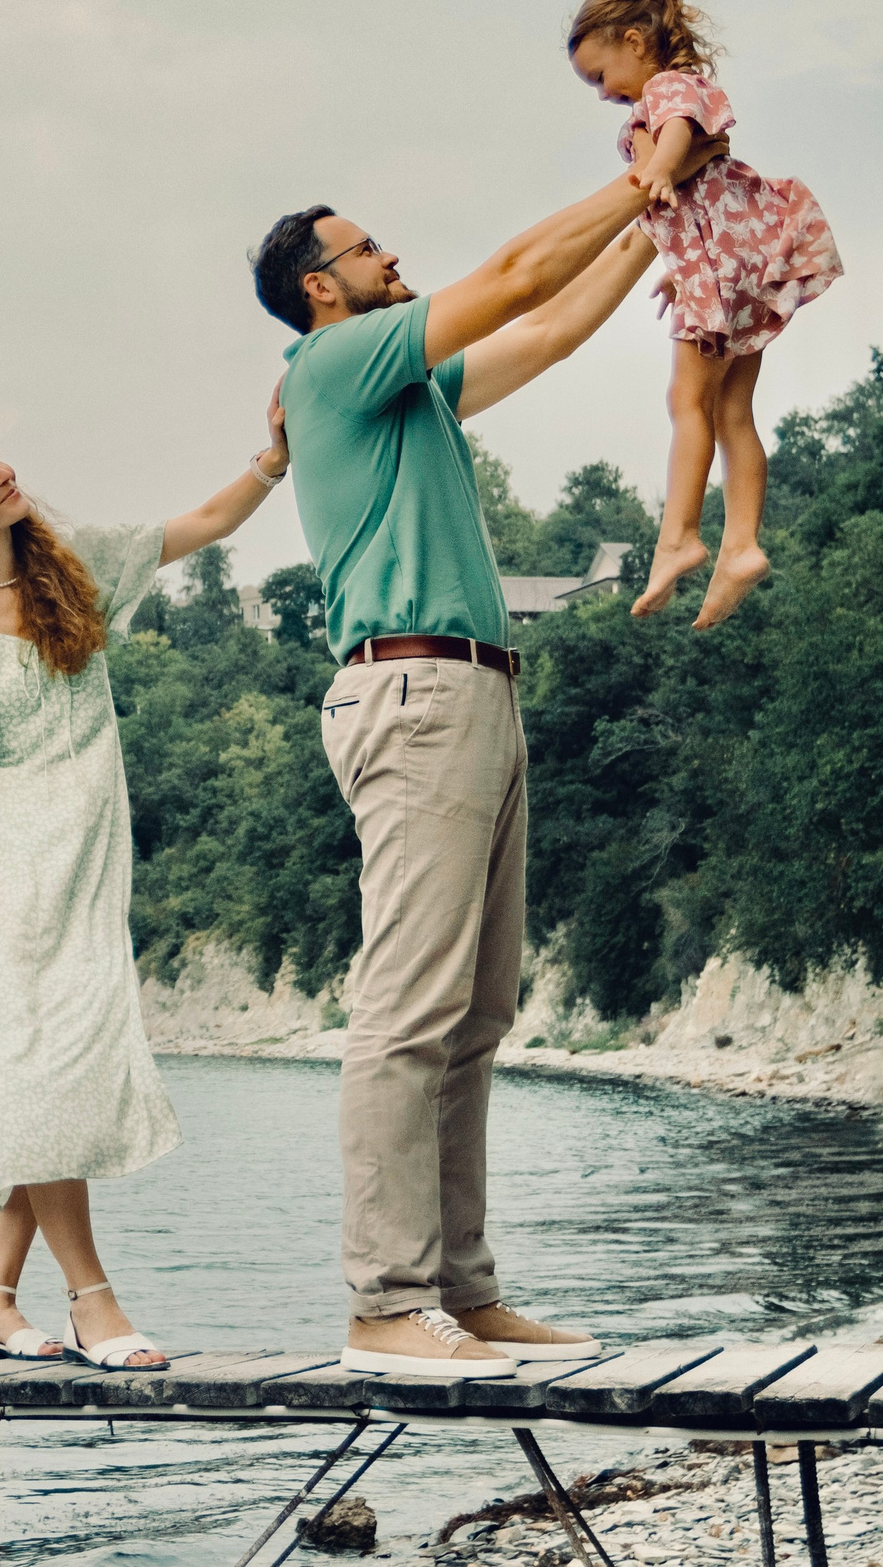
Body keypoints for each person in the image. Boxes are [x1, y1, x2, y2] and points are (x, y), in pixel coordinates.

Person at [250, 126, 730, 1378]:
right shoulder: (335, 363)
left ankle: (456, 1294)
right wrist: (647, 166)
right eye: (366, 246)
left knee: (476, 1011)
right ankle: (384, 1303)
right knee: (407, 1010)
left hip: (472, 695)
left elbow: (550, 328)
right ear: (320, 285)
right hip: (409, 693)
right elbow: (516, 274)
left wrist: (656, 224)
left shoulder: (403, 388)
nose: (391, 253)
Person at [0, 417, 288, 1370]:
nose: (1, 474)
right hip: (8, 857)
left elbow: (202, 521)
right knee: (35, 1078)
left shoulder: (74, 566)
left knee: (50, 1076)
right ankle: (90, 1299)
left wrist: (270, 462)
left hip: (87, 852)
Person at [568, 0, 843, 628]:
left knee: (686, 400)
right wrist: (678, 265)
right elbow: (697, 195)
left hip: (723, 264)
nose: (605, 93)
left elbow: (678, 135)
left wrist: (658, 169)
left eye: (601, 75)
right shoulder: (678, 88)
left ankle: (680, 537)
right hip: (736, 257)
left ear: (635, 42)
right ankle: (741, 543)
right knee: (731, 410)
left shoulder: (666, 89)